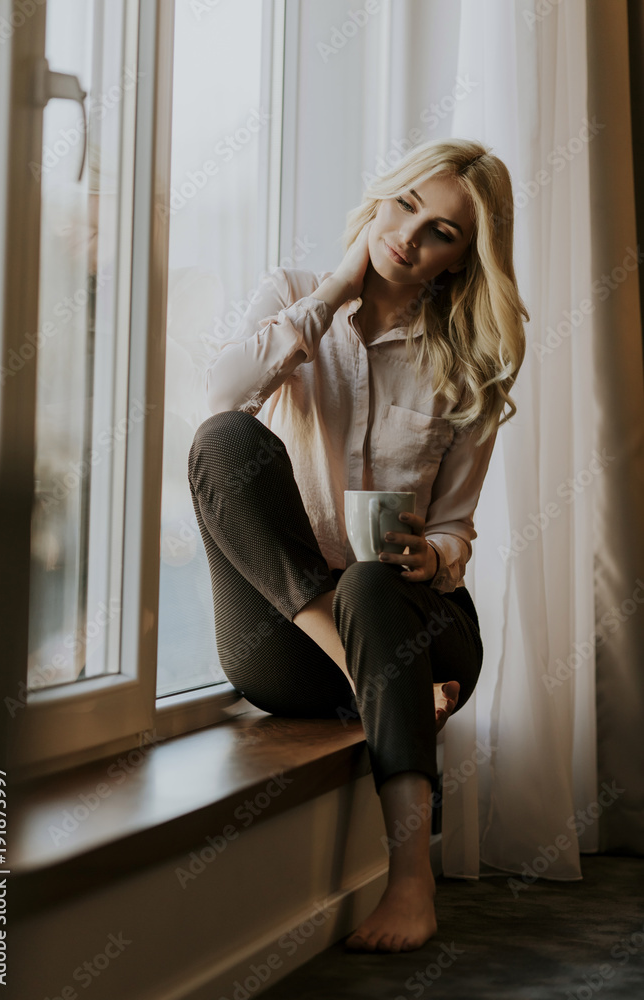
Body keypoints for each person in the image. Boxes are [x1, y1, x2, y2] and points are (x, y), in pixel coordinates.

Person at [188, 137, 529, 953]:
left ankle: (410, 881)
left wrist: (434, 557)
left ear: (459, 259)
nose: (410, 237)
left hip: (416, 628)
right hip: (297, 640)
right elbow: (218, 398)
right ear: (384, 196)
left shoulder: (466, 359)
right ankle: (360, 671)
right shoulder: (296, 297)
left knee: (373, 586)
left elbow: (454, 526)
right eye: (407, 204)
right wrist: (336, 289)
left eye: (441, 232)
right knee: (226, 443)